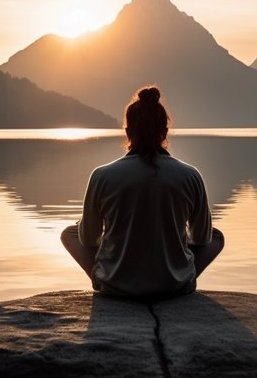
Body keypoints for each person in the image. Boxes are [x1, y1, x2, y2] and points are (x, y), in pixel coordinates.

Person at [61, 85, 224, 299]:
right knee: (216, 236)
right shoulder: (190, 175)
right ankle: (178, 273)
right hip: (175, 287)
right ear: (164, 132)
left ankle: (107, 275)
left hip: (115, 287)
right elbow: (202, 239)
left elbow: (89, 240)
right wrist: (174, 238)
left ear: (128, 131)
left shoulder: (102, 176)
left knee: (70, 233)